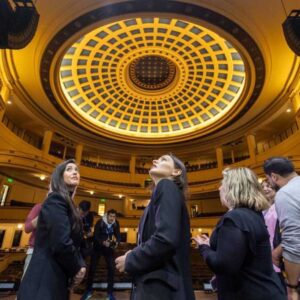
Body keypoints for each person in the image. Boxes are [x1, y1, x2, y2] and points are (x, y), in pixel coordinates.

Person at [194, 167, 286, 300]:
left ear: (234, 188)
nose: (219, 189)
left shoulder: (234, 218)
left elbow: (224, 266)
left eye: (223, 185)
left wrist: (204, 247)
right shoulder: (253, 214)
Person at [115, 154, 195, 300]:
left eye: (163, 159)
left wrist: (131, 258)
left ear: (176, 172)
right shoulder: (163, 193)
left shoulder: (166, 185)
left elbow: (165, 239)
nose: (154, 161)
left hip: (161, 290)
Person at [17, 159, 86, 300]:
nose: (75, 172)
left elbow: (76, 243)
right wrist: (77, 268)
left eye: (77, 170)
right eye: (69, 169)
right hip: (44, 281)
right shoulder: (55, 199)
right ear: (59, 177)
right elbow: (61, 242)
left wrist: (81, 264)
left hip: (56, 278)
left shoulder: (70, 206)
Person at [264, 157, 300, 300]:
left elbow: (294, 241)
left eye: (268, 179)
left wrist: (292, 287)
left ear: (274, 176)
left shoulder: (284, 193)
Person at [81, 209, 120, 300]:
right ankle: (88, 291)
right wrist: (103, 242)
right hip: (97, 248)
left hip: (108, 248)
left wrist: (117, 242)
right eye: (110, 216)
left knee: (111, 268)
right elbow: (95, 236)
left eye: (114, 216)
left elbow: (118, 235)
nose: (112, 218)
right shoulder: (100, 222)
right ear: (107, 215)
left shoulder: (116, 223)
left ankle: (110, 293)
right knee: (92, 269)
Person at [261, 179, 286, 290]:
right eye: (263, 187)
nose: (265, 189)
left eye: (268, 186)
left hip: (280, 253)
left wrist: (277, 252)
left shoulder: (281, 205)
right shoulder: (261, 209)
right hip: (265, 255)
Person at [22, 203, 42, 277]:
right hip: (34, 252)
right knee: (27, 284)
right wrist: (46, 211)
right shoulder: (40, 207)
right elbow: (27, 228)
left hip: (52, 254)